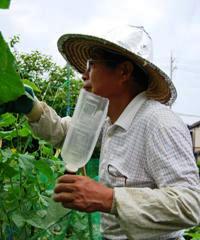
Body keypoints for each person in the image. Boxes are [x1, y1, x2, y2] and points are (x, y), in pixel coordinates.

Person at [1, 25, 200, 240]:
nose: (84, 75)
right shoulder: (108, 120)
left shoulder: (158, 123)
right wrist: (33, 109)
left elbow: (190, 204)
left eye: (91, 65)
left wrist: (108, 198)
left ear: (124, 71)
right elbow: (71, 136)